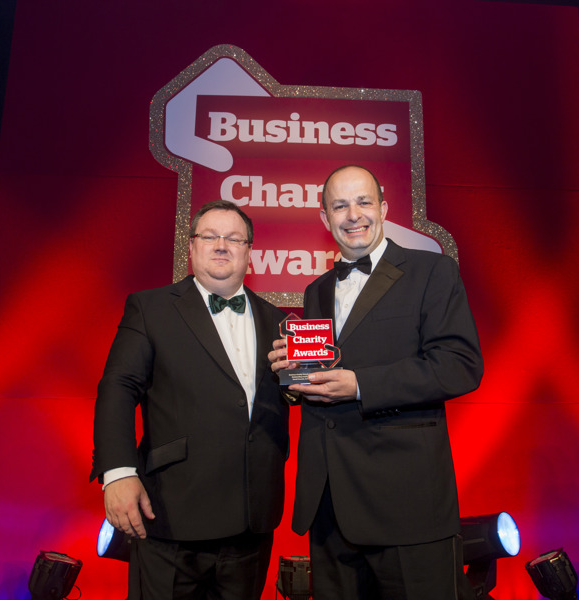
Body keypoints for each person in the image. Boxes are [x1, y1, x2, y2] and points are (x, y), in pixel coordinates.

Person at [269, 165, 484, 599]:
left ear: (384, 208)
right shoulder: (316, 291)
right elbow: (318, 376)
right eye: (340, 206)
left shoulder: (432, 271)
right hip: (330, 505)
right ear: (325, 220)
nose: (353, 215)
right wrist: (291, 378)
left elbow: (460, 364)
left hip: (405, 502)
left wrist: (360, 384)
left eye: (363, 202)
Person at [91, 200, 290, 599]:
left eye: (234, 238)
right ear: (192, 246)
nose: (222, 245)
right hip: (170, 516)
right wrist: (117, 473)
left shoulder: (278, 320)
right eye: (211, 236)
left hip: (253, 521)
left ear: (249, 252)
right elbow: (117, 387)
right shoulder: (150, 308)